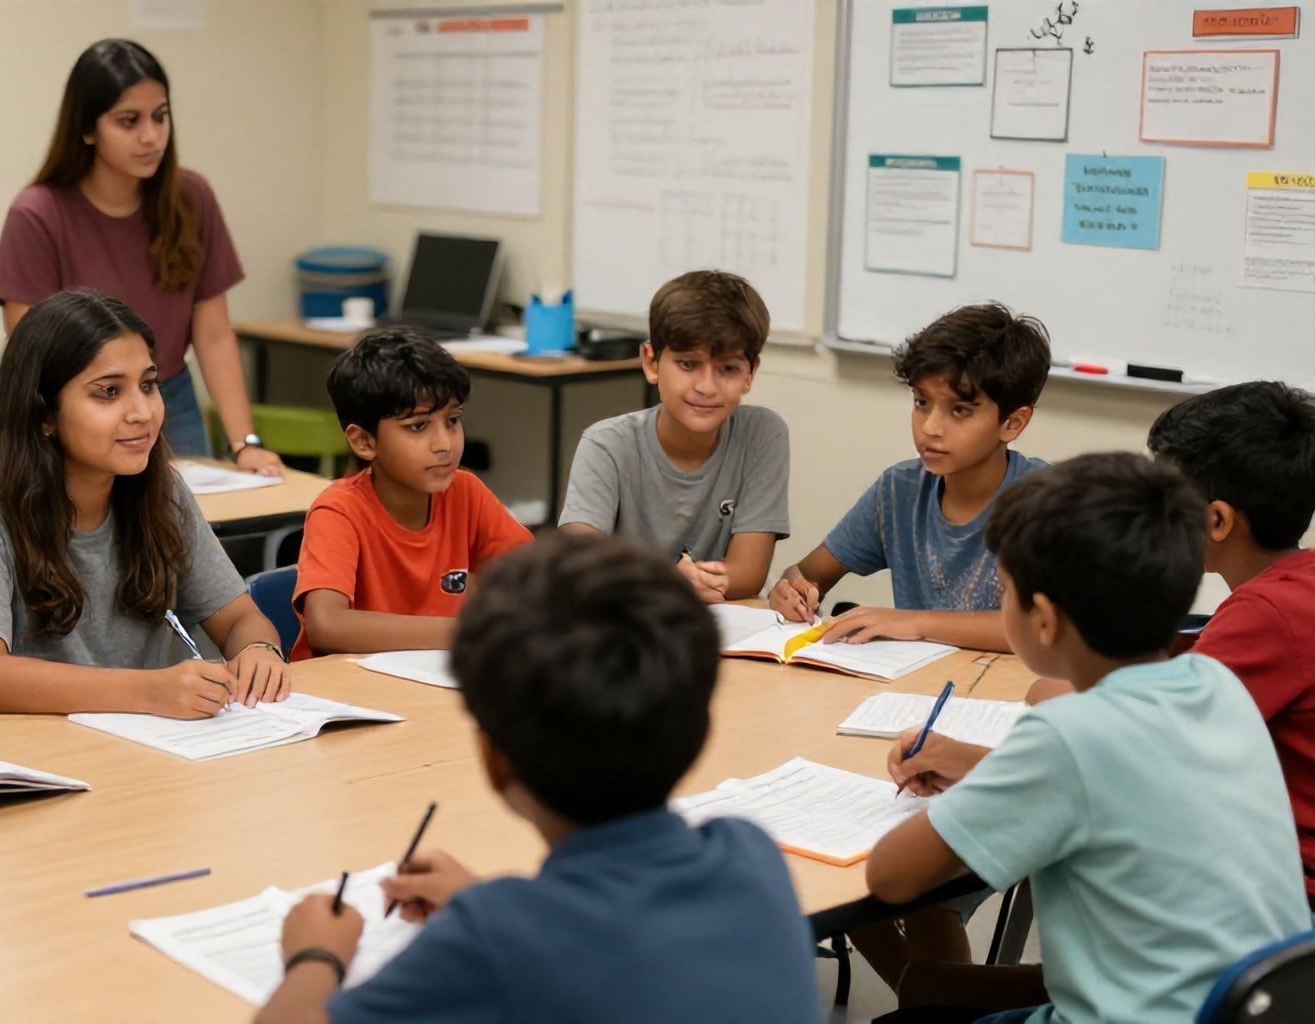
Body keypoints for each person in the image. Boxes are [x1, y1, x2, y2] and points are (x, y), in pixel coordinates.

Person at [259, 532, 822, 1023]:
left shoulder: (492, 939)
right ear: (699, 732)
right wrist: (491, 905)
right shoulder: (749, 855)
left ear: (492, 756)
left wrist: (316, 956)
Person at [867, 452, 1306, 1024]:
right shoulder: (1214, 683)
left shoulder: (1066, 735)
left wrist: (996, 779)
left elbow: (889, 876)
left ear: (1044, 619)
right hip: (1251, 1005)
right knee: (932, 985)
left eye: (1004, 591)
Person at [0, 289, 289, 725]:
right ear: (44, 414)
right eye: (109, 392)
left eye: (148, 386)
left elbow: (242, 618)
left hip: (121, 742)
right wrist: (152, 690)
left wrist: (258, 652)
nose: (142, 412)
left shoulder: (161, 492)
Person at [0, 38, 282, 474]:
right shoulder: (38, 213)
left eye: (160, 117)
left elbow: (214, 334)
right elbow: (33, 350)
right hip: (83, 409)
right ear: (87, 129)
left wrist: (245, 444)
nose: (151, 136)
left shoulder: (191, 197)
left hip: (170, 396)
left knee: (192, 528)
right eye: (129, 121)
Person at [769, 303, 1050, 652]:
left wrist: (911, 622)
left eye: (960, 411)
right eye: (921, 402)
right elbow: (805, 575)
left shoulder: (1046, 501)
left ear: (1013, 423)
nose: (930, 428)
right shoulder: (898, 490)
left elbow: (1040, 630)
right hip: (913, 690)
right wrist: (792, 592)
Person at [1148, 381, 1315, 911]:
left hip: (1283, 897)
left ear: (1217, 521)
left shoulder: (1265, 614)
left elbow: (1145, 742)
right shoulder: (1299, 584)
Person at [292, 329, 531, 659]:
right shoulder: (339, 510)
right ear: (364, 442)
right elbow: (327, 625)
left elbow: (538, 581)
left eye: (453, 420)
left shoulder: (466, 492)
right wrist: (468, 631)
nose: (444, 444)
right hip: (346, 696)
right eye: (418, 427)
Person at [559, 270, 789, 603]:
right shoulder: (605, 445)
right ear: (651, 362)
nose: (706, 386)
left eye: (728, 368)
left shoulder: (763, 435)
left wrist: (685, 583)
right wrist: (669, 582)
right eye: (687, 364)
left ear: (750, 374)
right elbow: (578, 567)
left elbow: (749, 573)